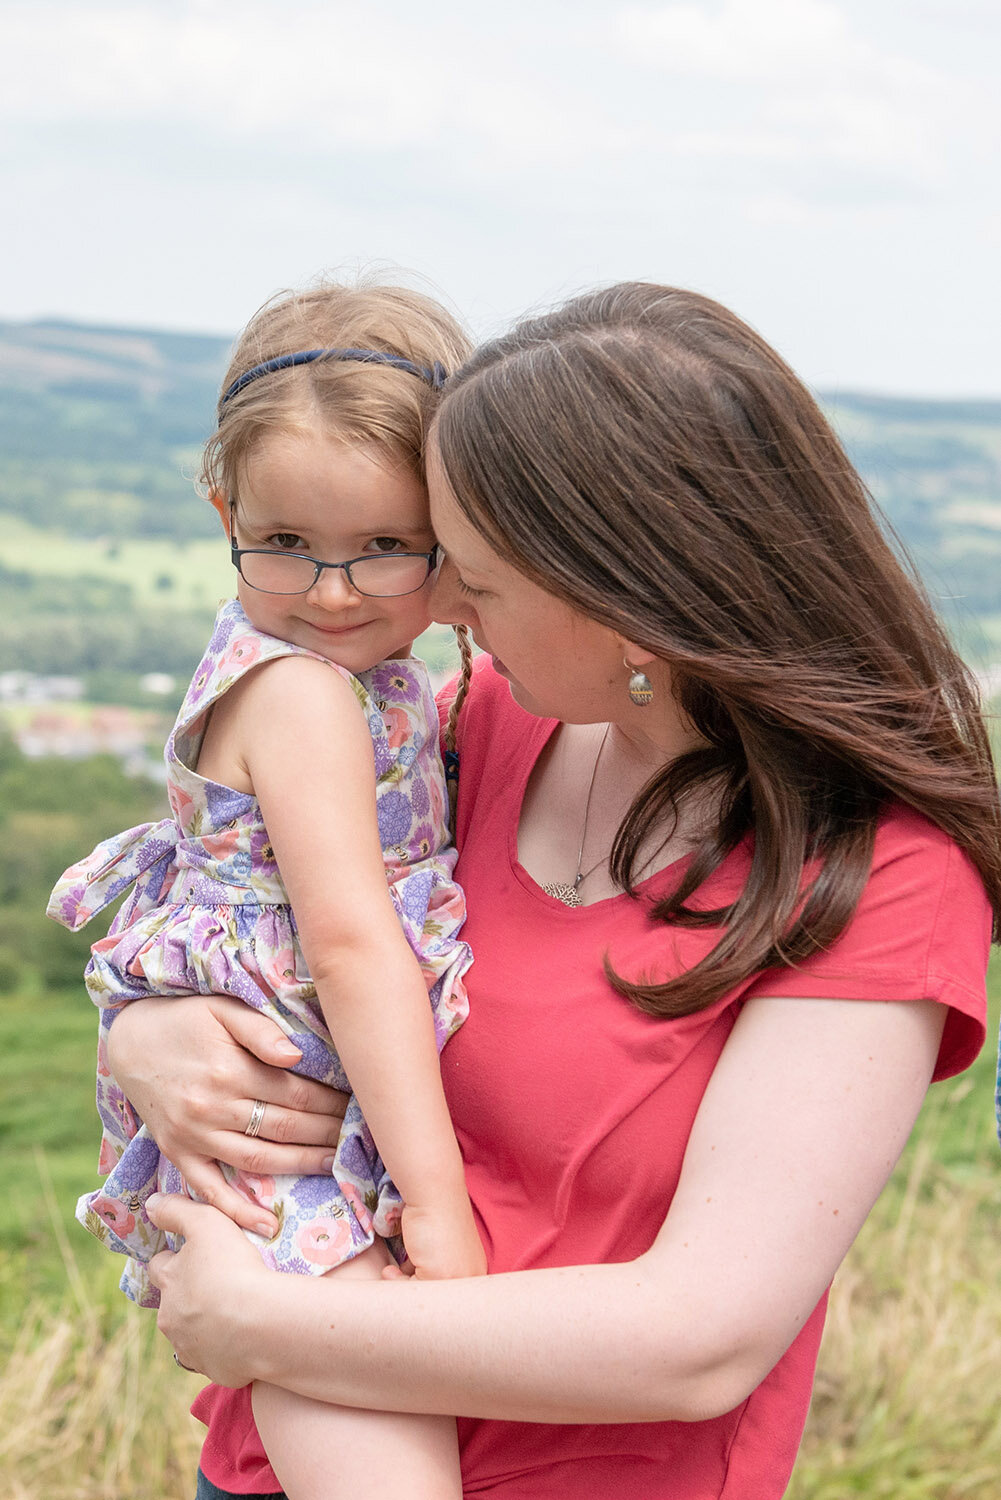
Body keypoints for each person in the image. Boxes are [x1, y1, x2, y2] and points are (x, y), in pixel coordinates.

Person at [109, 283, 999, 1500]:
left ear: (627, 597)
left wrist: (263, 1326)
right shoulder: (485, 727)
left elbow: (700, 1338)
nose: (440, 614)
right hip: (281, 1465)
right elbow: (239, 888)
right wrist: (154, 1041)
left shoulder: (878, 874)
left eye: (471, 576)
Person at [47, 281, 486, 1500]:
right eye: (285, 542)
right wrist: (437, 1207)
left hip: (309, 1087)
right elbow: (347, 947)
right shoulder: (299, 692)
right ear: (221, 506)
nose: (333, 591)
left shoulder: (368, 671)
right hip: (286, 1109)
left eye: (386, 547)